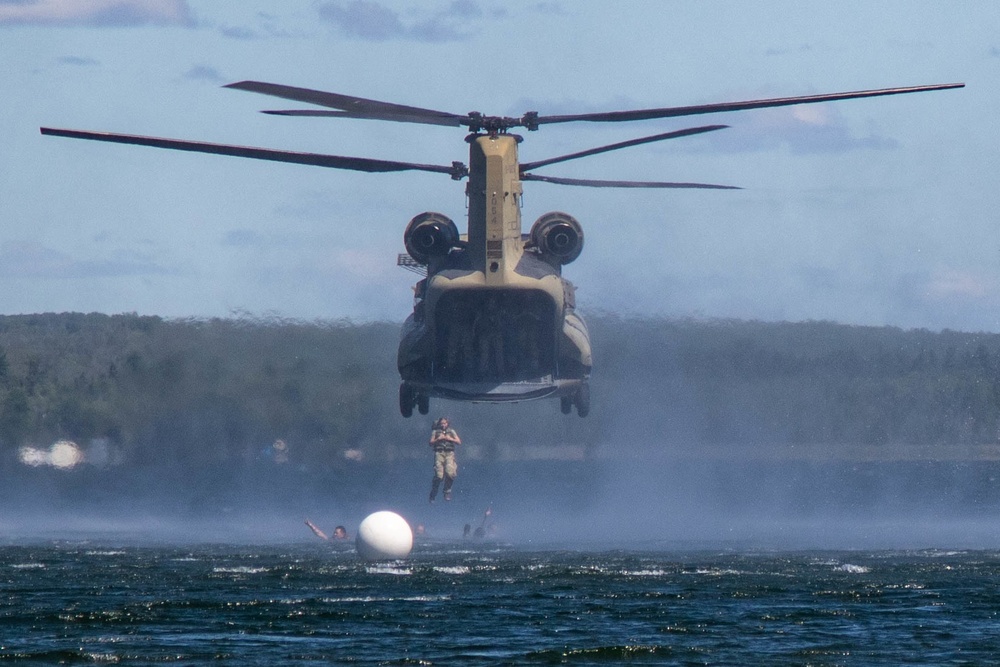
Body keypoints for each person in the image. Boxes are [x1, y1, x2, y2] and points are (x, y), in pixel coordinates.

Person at [428, 417, 461, 502]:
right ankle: (433, 493)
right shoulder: (435, 432)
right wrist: (438, 439)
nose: (443, 425)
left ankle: (447, 491)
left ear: (447, 424)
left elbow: (458, 441)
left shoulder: (451, 431)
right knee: (439, 476)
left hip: (449, 453)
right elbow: (431, 443)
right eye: (441, 423)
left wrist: (449, 438)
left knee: (450, 473)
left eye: (445, 423)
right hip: (439, 453)